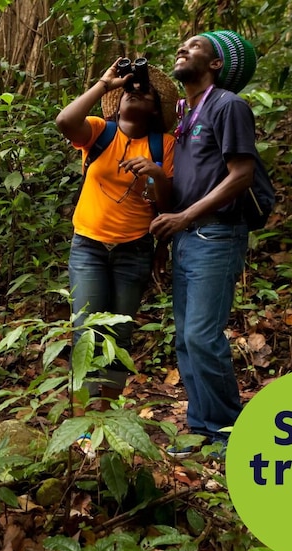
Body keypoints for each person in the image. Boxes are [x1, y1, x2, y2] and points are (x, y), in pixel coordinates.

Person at [149, 30, 270, 454]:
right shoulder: (183, 111)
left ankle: (226, 432)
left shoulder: (228, 105)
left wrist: (184, 217)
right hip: (186, 239)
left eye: (196, 46)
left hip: (216, 235)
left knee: (202, 335)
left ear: (217, 63)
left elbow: (242, 175)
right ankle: (201, 427)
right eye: (181, 44)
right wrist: (168, 238)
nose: (182, 48)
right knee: (185, 337)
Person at [55, 59, 179, 407]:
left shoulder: (164, 145)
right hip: (89, 247)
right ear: (118, 101)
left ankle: (106, 411)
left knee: (118, 334)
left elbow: (167, 203)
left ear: (155, 109)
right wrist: (104, 85)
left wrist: (156, 173)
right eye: (130, 91)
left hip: (134, 249)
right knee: (85, 332)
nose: (135, 93)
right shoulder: (99, 131)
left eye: (145, 93)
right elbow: (65, 121)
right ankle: (82, 417)